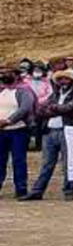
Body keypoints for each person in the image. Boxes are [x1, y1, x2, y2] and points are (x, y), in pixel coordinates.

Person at [20, 70, 73, 201]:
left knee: (67, 164)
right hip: (50, 130)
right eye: (61, 79)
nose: (63, 82)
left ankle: (68, 191)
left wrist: (52, 109)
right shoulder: (55, 94)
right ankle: (38, 190)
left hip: (66, 130)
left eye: (66, 79)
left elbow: (70, 107)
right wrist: (56, 109)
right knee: (47, 163)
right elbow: (41, 110)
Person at [0, 68, 36, 198]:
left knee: (19, 160)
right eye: (3, 73)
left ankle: (21, 188)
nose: (4, 75)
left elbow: (25, 108)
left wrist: (9, 120)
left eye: (8, 73)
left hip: (18, 130)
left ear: (16, 76)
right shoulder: (1, 90)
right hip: (1, 131)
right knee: (0, 160)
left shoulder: (23, 91)